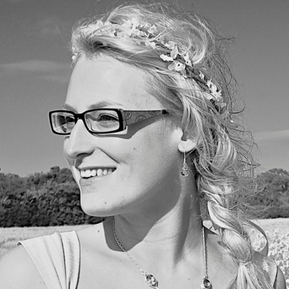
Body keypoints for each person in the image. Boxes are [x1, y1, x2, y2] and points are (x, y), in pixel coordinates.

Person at [0, 2, 286, 289]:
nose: (73, 147)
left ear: (187, 129)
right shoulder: (33, 275)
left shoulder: (261, 277)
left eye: (104, 118)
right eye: (70, 120)